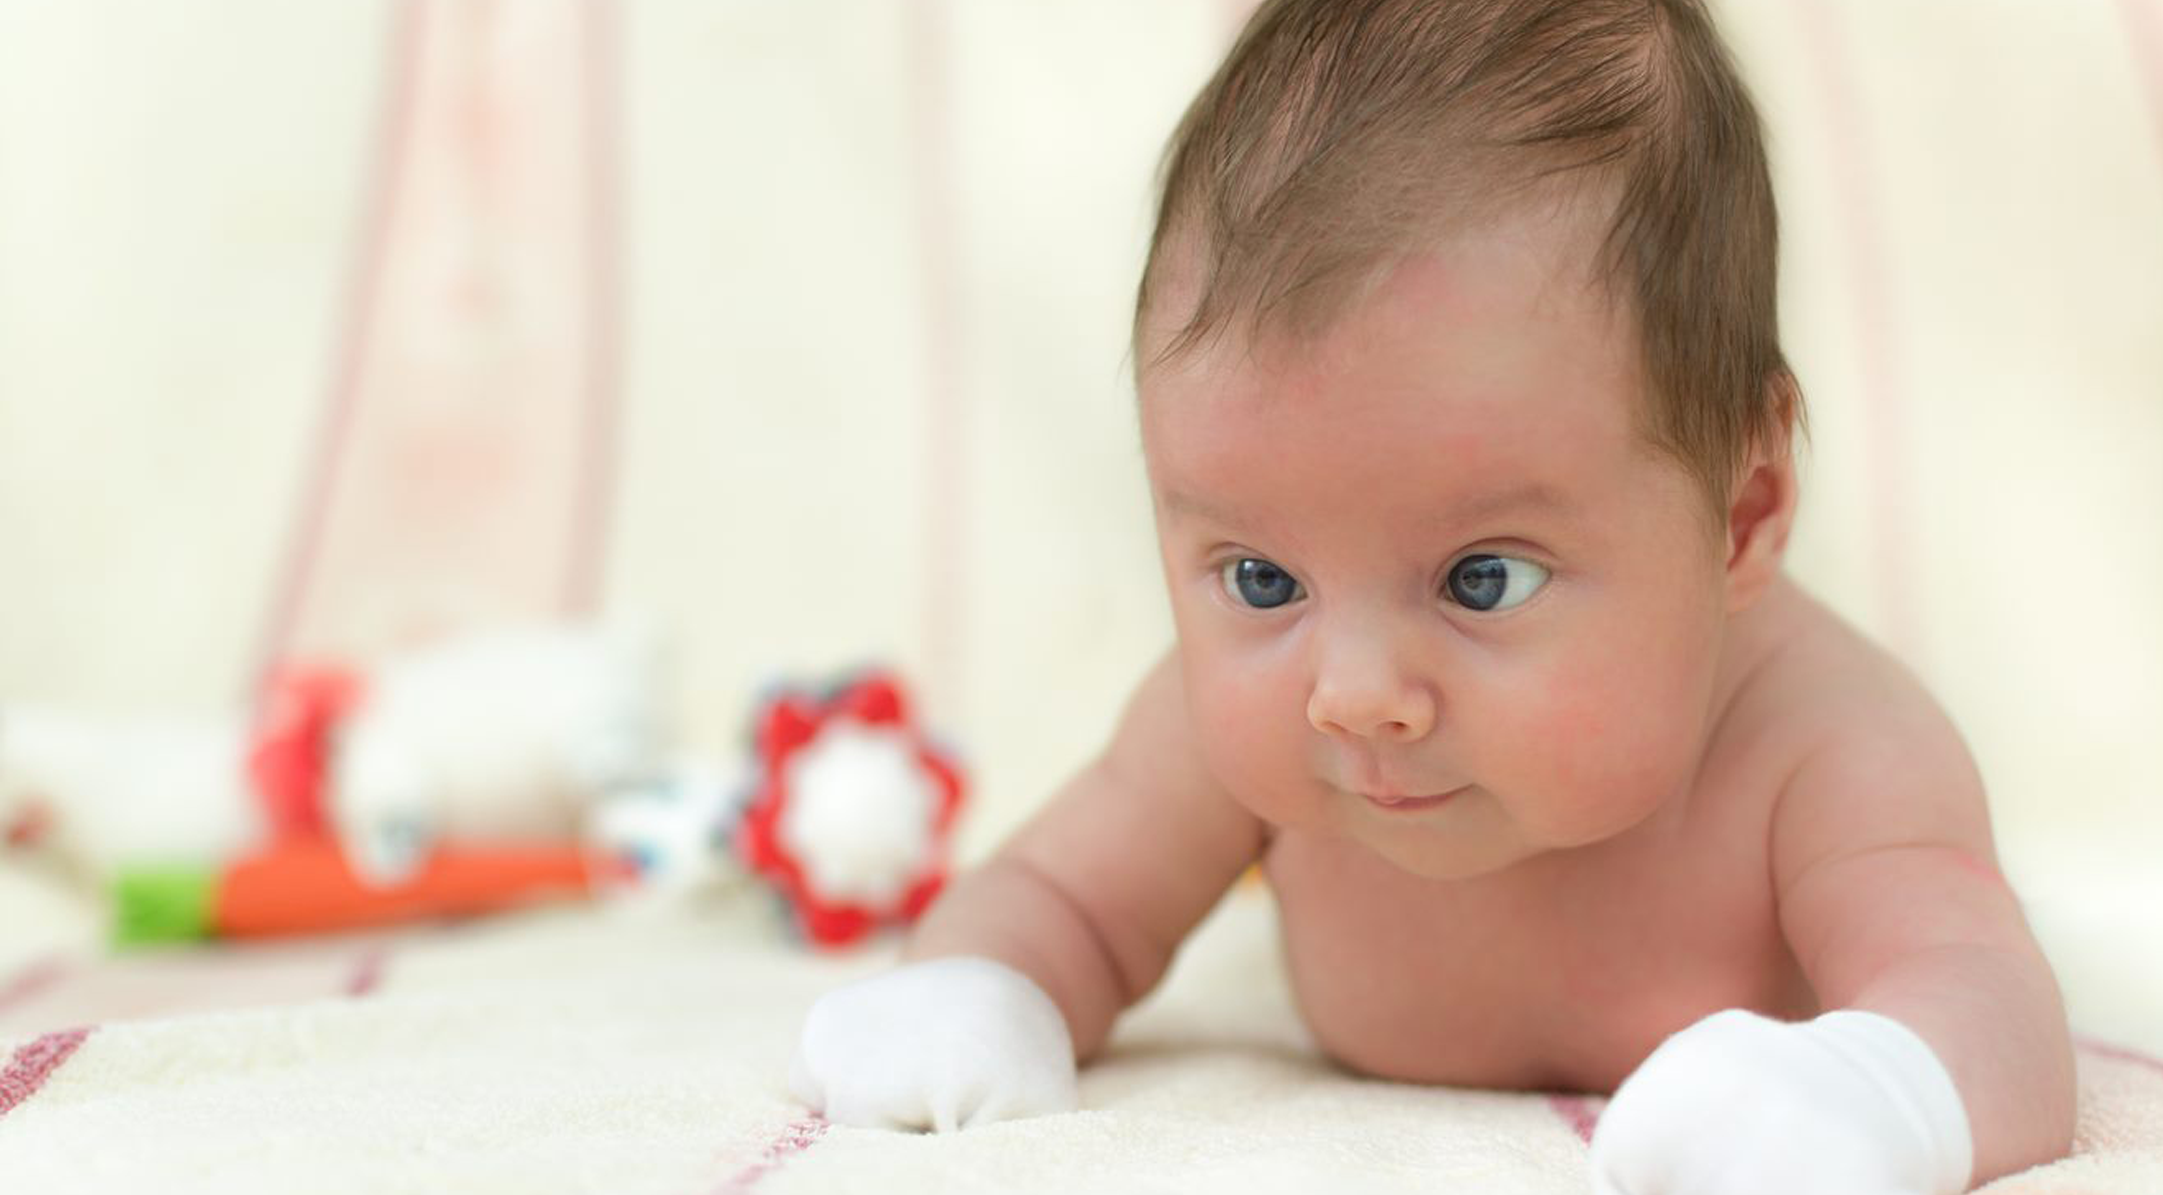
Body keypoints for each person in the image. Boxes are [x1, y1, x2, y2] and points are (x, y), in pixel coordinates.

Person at [789, 1, 2076, 1190]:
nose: (1353, 695)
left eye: (1482, 579)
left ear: (1740, 514)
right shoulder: (1223, 731)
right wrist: (978, 987)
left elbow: (1987, 1002)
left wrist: (1879, 1094)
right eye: (1261, 578)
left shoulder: (1828, 749)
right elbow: (1062, 899)